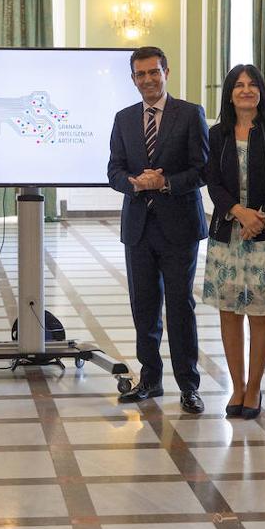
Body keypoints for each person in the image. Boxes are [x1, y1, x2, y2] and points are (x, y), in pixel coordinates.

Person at [107, 46, 210, 414]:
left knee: (180, 307)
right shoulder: (123, 118)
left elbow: (202, 170)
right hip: (138, 228)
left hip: (179, 227)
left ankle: (189, 386)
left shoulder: (190, 114)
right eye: (141, 74)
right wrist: (134, 183)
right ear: (133, 79)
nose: (148, 79)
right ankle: (150, 379)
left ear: (167, 72)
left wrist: (164, 183)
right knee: (144, 307)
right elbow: (114, 170)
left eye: (154, 72)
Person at [203, 64, 265, 419]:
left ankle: (254, 387)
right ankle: (236, 386)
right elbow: (212, 181)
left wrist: (260, 218)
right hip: (227, 234)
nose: (246, 90)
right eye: (238, 85)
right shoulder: (217, 134)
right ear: (229, 93)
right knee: (229, 313)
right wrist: (239, 212)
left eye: (253, 84)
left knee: (259, 313)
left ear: (261, 91)